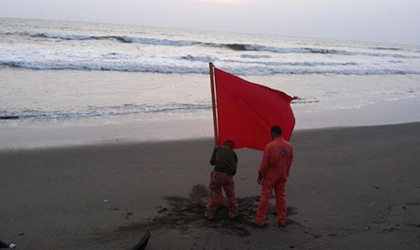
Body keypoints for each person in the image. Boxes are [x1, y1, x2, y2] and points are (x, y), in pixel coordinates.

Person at [255, 126, 294, 227]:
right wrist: (287, 172)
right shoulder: (289, 146)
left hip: (271, 174)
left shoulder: (270, 146)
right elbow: (289, 161)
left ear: (273, 134)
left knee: (265, 196)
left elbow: (265, 163)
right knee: (281, 196)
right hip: (283, 173)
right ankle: (282, 219)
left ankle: (260, 219)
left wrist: (260, 174)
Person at [205, 140, 238, 221]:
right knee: (231, 195)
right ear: (232, 147)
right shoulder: (234, 154)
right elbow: (234, 170)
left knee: (214, 194)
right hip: (228, 176)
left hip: (218, 175)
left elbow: (211, 162)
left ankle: (210, 214)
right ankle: (233, 213)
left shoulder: (218, 148)